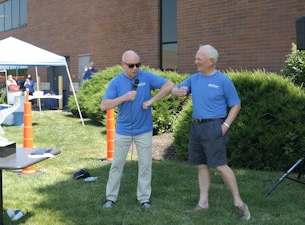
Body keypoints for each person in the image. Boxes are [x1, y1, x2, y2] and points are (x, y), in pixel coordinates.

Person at [171, 45, 250, 220]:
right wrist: (176, 91)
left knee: (220, 166)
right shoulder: (194, 79)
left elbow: (236, 104)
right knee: (201, 165)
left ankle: (238, 202)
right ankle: (203, 203)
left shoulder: (223, 81)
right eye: (196, 58)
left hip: (215, 126)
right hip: (196, 126)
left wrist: (226, 125)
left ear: (211, 61)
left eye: (199, 58)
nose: (195, 61)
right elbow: (175, 90)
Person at [101, 50, 175, 209]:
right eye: (131, 65)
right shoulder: (116, 82)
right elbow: (104, 105)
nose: (135, 68)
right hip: (123, 130)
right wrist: (124, 98)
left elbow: (169, 85)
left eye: (138, 65)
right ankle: (111, 198)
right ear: (123, 65)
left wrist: (152, 100)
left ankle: (144, 198)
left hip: (144, 130)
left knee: (145, 165)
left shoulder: (146, 77)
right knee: (117, 165)